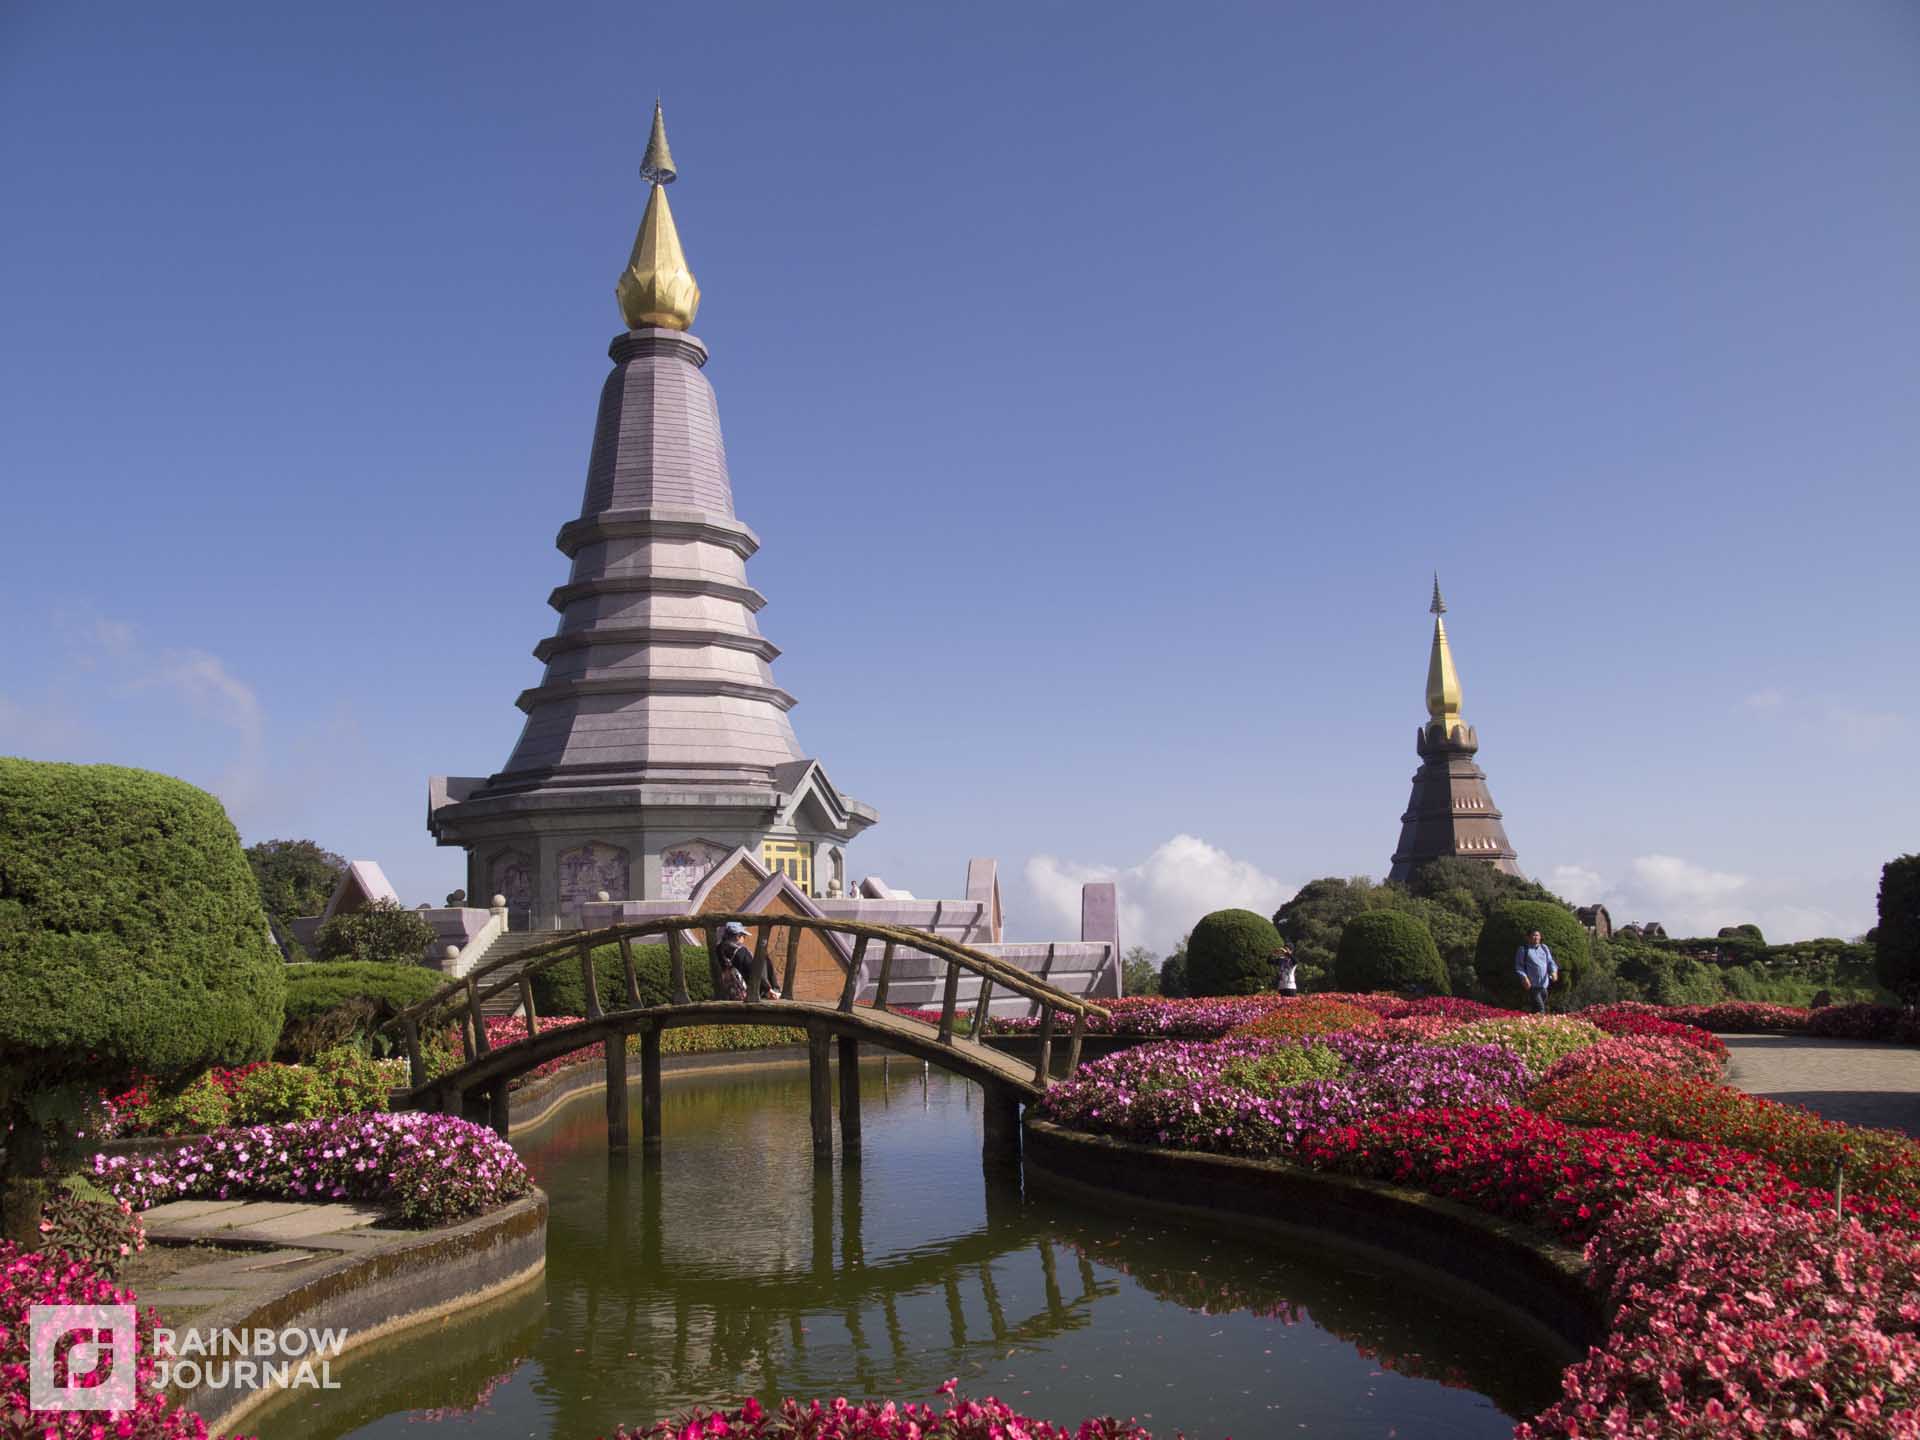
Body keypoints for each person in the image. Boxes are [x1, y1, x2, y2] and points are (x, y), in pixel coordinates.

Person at [713, 922, 780, 1001]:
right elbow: (753, 971)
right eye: (744, 936)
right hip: (747, 991)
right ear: (738, 936)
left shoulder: (718, 949)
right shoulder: (741, 952)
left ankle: (773, 990)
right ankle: (774, 990)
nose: (744, 938)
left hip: (728, 991)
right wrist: (768, 989)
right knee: (763, 956)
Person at [1513, 928, 1558, 1013]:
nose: (1536, 937)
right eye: (1533, 935)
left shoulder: (1544, 948)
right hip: (1532, 986)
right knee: (1540, 1009)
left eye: (1537, 935)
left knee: (1535, 1009)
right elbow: (1519, 966)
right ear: (1528, 937)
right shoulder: (1523, 950)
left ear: (1540, 937)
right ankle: (1542, 1024)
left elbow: (1550, 962)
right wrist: (1524, 978)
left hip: (1544, 985)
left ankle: (1531, 1024)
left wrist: (1554, 972)